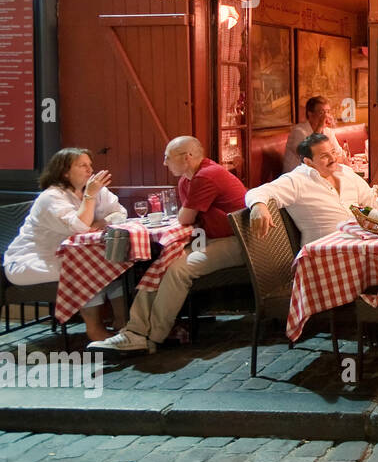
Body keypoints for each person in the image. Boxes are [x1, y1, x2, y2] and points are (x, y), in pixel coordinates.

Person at [89, 137, 247, 355]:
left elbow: (185, 218)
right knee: (162, 266)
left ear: (187, 157)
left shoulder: (206, 176)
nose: (164, 163)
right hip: (212, 238)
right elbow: (187, 218)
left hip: (242, 242)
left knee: (178, 270)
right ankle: (135, 332)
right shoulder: (187, 180)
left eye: (167, 157)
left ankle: (152, 337)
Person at [3, 148, 126, 342]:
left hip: (69, 255)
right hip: (32, 259)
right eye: (82, 165)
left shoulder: (93, 188)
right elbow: (79, 227)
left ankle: (123, 322)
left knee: (115, 261)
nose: (90, 170)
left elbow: (120, 213)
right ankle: (94, 328)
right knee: (84, 268)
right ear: (64, 172)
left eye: (90, 165)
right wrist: (90, 197)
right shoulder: (52, 197)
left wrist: (100, 222)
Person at [248, 132, 378, 246]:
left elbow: (370, 202)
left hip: (359, 243)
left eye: (333, 152)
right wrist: (259, 206)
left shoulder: (346, 172)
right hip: (323, 254)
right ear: (308, 162)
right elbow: (258, 192)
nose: (333, 158)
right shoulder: (298, 180)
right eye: (324, 156)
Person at [283, 96, 342, 172]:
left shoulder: (328, 131)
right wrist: (319, 126)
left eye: (327, 112)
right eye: (321, 113)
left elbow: (339, 153)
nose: (326, 116)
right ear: (310, 114)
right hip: (298, 176)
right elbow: (308, 155)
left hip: (319, 173)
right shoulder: (298, 131)